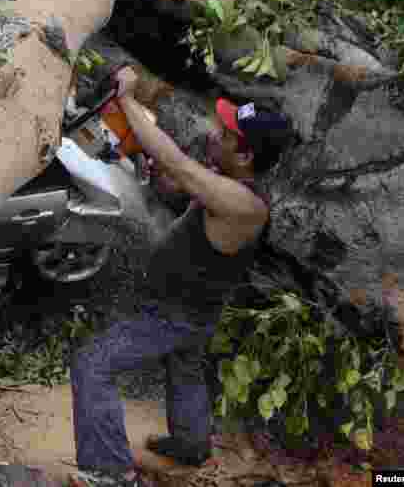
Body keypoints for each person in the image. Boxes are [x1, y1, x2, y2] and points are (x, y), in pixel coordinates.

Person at [69, 66, 293, 487]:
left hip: (174, 313)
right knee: (185, 367)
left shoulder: (244, 205)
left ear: (245, 156)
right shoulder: (233, 184)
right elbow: (181, 183)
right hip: (196, 310)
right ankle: (191, 447)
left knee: (92, 364)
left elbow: (180, 165)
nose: (215, 135)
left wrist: (128, 100)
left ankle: (110, 473)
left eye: (226, 136)